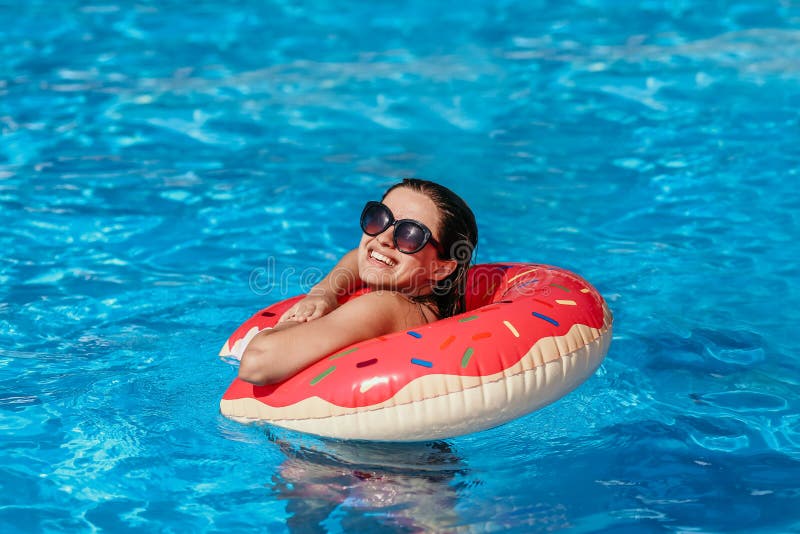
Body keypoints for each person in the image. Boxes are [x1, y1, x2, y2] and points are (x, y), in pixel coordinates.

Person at [238, 178, 478, 386]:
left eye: (410, 235)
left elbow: (257, 364)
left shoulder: (385, 305)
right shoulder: (429, 307)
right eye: (379, 218)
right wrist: (324, 292)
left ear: (442, 268)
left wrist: (294, 324)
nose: (383, 238)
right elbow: (360, 256)